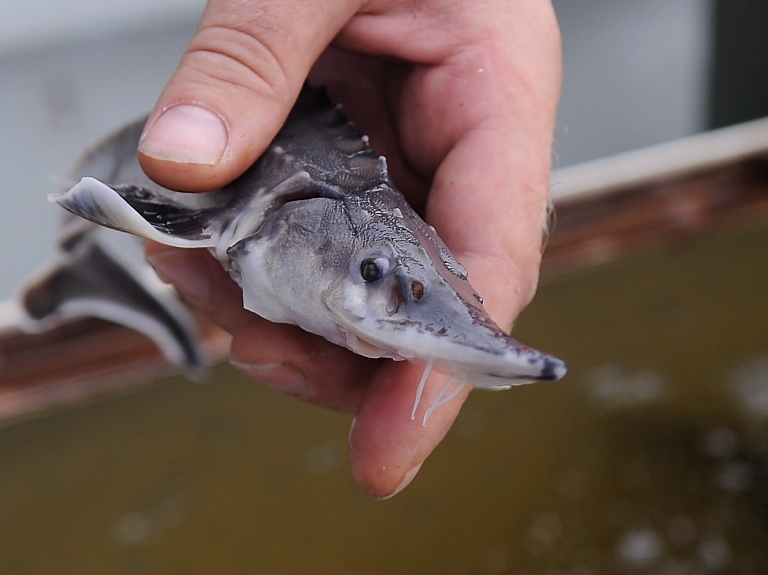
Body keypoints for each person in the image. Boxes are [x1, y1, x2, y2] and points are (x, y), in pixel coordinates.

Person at [138, 0, 562, 499]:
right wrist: (242, 60)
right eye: (370, 271)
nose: (388, 298)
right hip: (182, 120)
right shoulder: (252, 213)